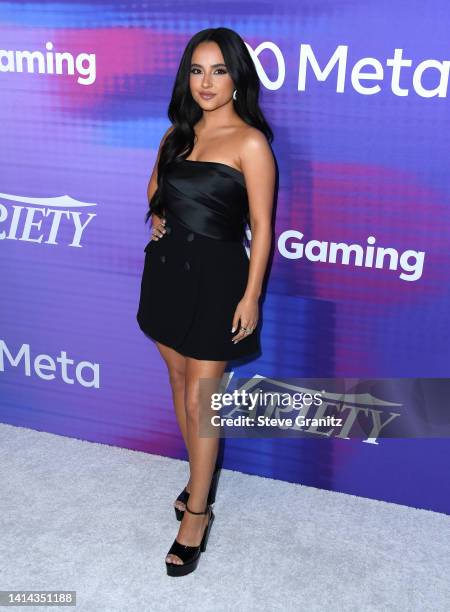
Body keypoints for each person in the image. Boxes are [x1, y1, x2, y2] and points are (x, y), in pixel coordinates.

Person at [136, 27, 275, 577]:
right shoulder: (176, 132)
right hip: (167, 274)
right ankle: (198, 474)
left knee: (203, 400)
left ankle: (197, 511)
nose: (206, 82)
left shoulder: (250, 143)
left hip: (217, 281)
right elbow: (153, 189)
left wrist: (251, 296)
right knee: (177, 382)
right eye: (197, 70)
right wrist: (162, 212)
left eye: (218, 70)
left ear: (238, 77)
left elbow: (262, 229)